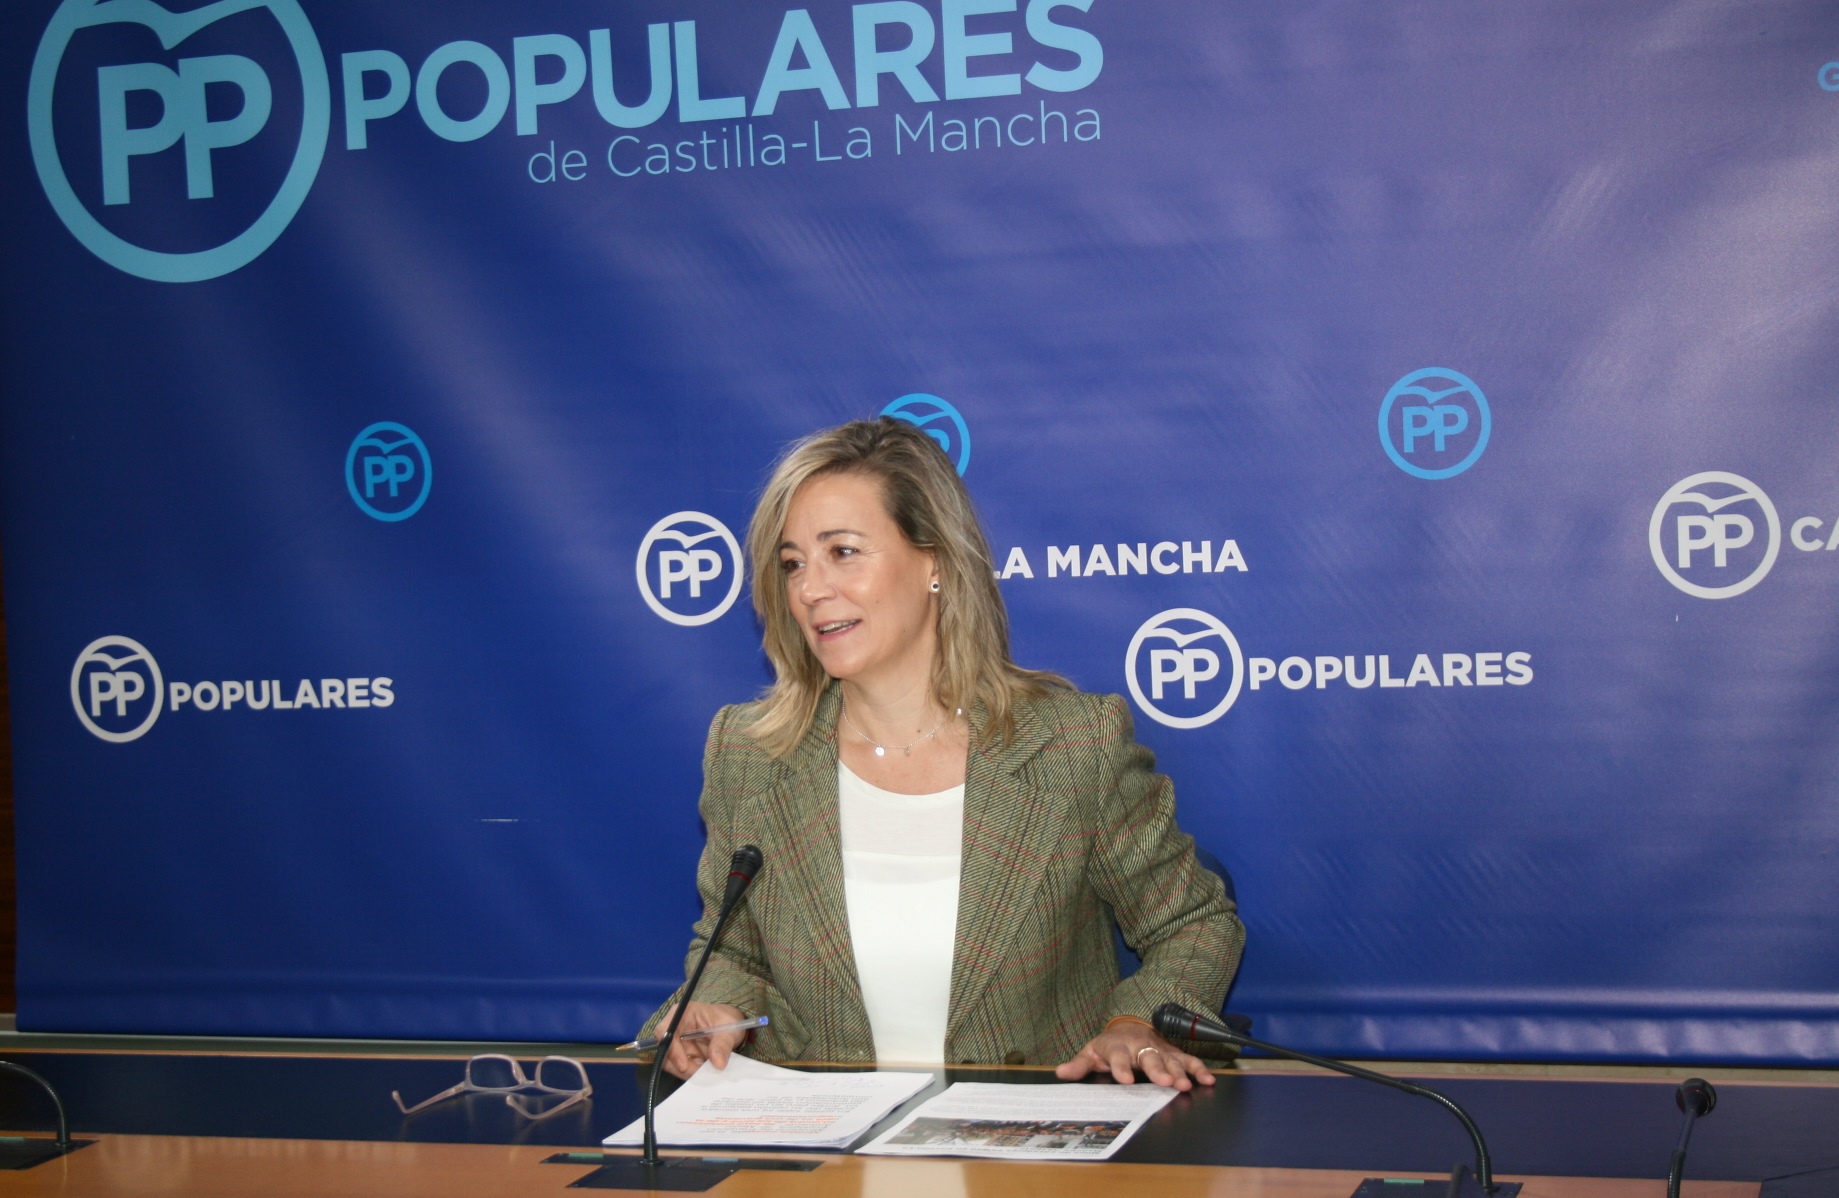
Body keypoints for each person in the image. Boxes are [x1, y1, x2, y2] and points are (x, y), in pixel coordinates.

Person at [642, 417, 1243, 1089]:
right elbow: (731, 954)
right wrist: (715, 1007)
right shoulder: (749, 754)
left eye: (842, 552)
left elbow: (1192, 924)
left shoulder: (1073, 746)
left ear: (934, 561)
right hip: (824, 1143)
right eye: (793, 564)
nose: (810, 589)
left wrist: (1134, 1023)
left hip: (1025, 1141)